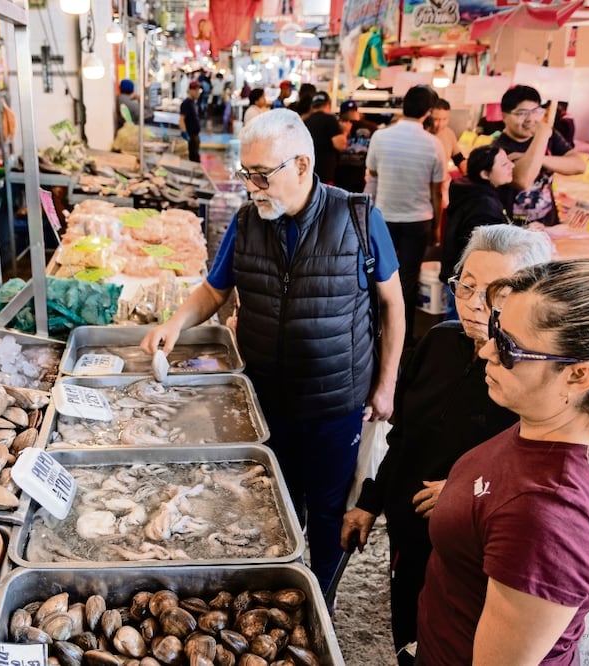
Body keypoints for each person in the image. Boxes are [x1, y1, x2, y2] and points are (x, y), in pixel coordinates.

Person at [140, 108, 405, 595]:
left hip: (335, 403)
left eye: (261, 175)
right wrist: (174, 323)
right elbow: (215, 290)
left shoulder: (358, 217)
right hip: (263, 402)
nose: (251, 187)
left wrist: (386, 385)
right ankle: (278, 590)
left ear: (302, 165)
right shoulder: (247, 222)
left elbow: (393, 305)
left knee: (327, 512)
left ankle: (320, 598)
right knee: (270, 502)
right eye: (246, 174)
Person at [416, 258, 589, 665]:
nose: (488, 351)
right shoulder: (568, 424)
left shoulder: (549, 520)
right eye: (497, 328)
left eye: (509, 347)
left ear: (579, 376)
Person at [341, 224, 553, 666]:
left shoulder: (533, 384)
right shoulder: (439, 342)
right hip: (409, 529)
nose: (474, 304)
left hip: (469, 552)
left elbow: (542, 482)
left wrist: (468, 493)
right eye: (467, 286)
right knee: (408, 632)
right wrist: (370, 502)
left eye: (497, 294)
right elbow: (404, 434)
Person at [365, 84, 445, 347]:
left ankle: (375, 329)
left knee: (379, 274)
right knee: (408, 279)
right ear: (428, 112)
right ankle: (404, 336)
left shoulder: (380, 137)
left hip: (383, 217)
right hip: (418, 220)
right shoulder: (434, 144)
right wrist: (436, 227)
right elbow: (436, 192)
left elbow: (372, 176)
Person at [493, 85, 586, 227]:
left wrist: (540, 159)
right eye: (521, 113)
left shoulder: (550, 136)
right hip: (514, 229)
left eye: (536, 111)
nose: (530, 119)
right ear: (504, 116)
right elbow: (523, 180)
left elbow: (579, 165)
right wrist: (542, 135)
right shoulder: (498, 148)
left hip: (548, 224)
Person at [439, 145, 515, 284]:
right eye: (504, 164)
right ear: (485, 174)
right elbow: (487, 249)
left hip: (459, 275)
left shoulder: (471, 191)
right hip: (469, 281)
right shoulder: (482, 205)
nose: (512, 166)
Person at [304, 92, 346, 186]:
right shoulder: (330, 120)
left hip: (308, 173)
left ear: (312, 106)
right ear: (328, 105)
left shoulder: (305, 121)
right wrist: (345, 131)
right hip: (325, 173)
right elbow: (340, 145)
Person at [335, 100, 377, 194]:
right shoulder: (371, 127)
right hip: (359, 175)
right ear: (357, 112)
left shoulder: (337, 126)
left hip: (341, 175)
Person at [428, 98, 465, 171]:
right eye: (436, 119)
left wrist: (465, 166)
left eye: (444, 119)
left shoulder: (449, 133)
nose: (440, 124)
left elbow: (458, 157)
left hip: (442, 176)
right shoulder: (420, 134)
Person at [179, 81, 203, 163]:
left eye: (199, 90)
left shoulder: (193, 103)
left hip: (195, 135)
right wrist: (184, 132)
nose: (198, 93)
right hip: (191, 136)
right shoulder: (186, 103)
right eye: (196, 90)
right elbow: (181, 119)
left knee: (196, 157)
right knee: (194, 160)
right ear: (190, 91)